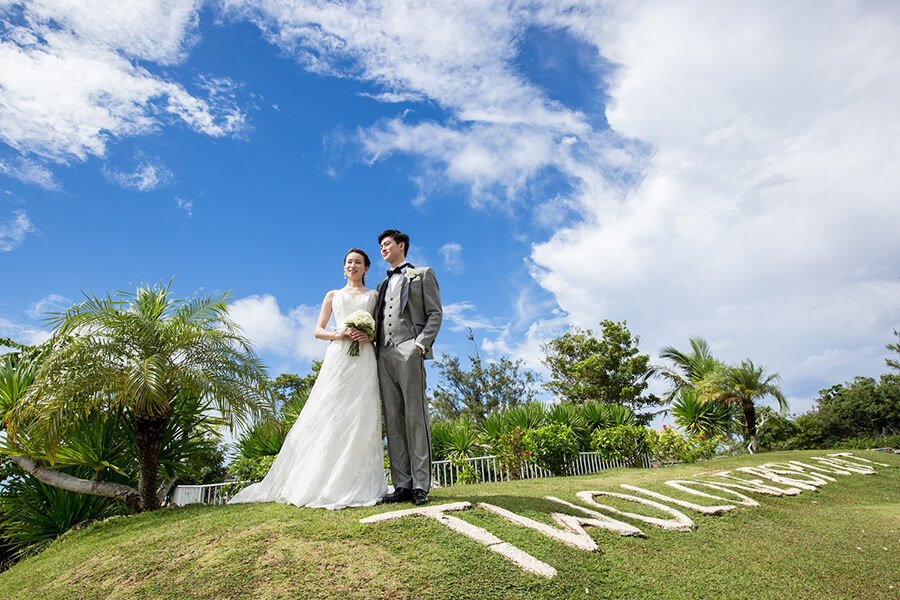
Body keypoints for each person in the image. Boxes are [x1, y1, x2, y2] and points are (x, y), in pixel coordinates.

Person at [228, 249, 387, 509]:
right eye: (349, 262)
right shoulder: (332, 295)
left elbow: (380, 330)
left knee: (362, 414)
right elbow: (317, 330)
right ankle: (321, 480)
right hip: (338, 357)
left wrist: (368, 337)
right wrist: (338, 335)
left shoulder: (374, 296)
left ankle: (359, 481)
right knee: (330, 411)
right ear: (343, 267)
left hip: (365, 359)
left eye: (358, 262)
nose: (353, 265)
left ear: (367, 268)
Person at [375, 229, 442, 506]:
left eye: (387, 244)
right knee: (393, 419)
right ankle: (401, 484)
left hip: (409, 348)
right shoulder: (380, 285)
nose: (383, 249)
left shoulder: (422, 274)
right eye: (380, 246)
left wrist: (420, 345)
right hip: (383, 354)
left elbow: (435, 313)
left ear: (401, 245)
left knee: (415, 416)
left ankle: (420, 485)